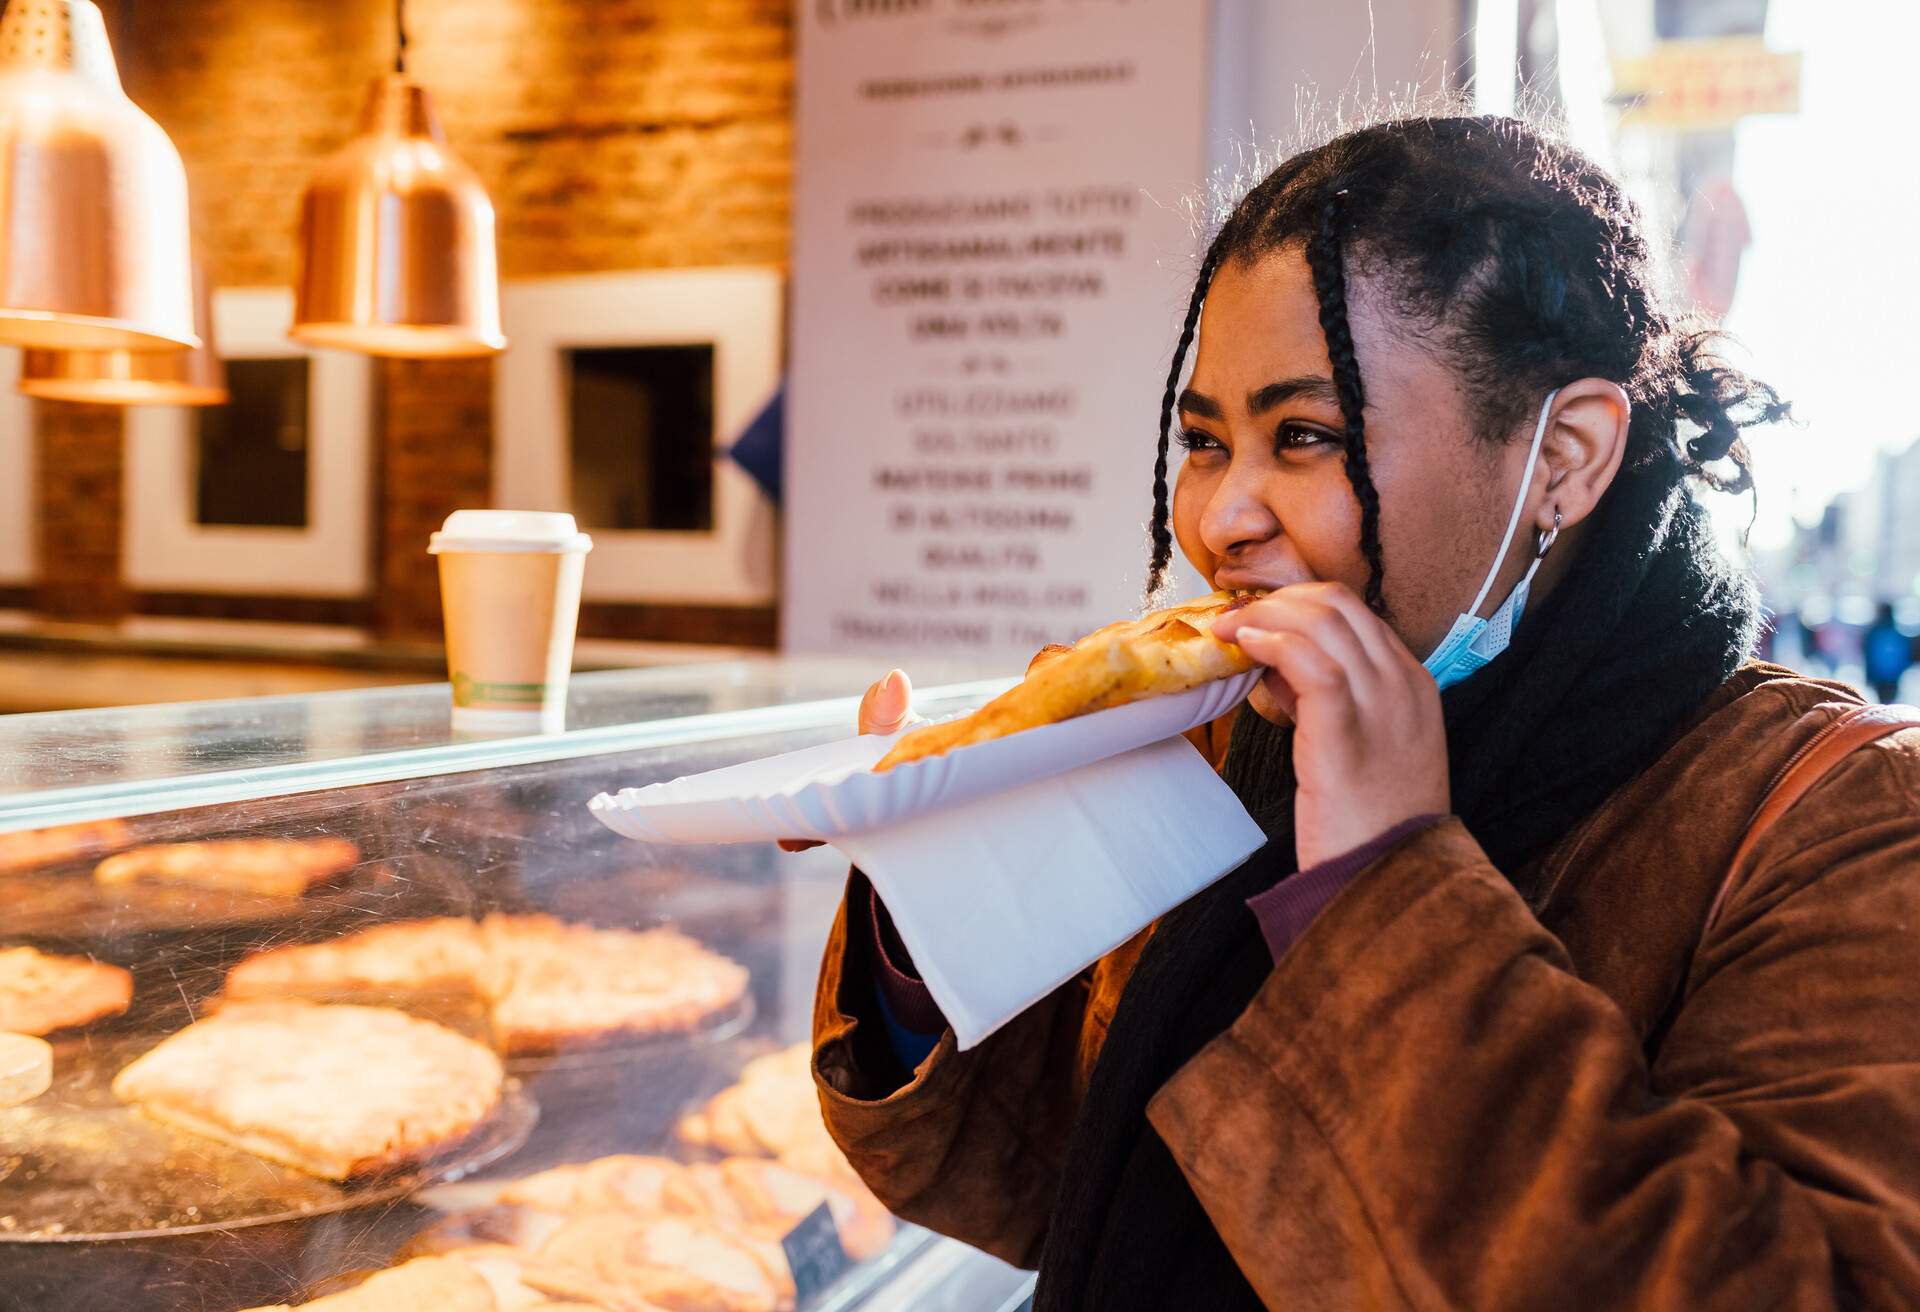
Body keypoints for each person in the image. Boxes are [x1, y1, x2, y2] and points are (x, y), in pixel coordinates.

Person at [799, 115, 1920, 1309]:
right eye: (1204, 440)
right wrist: (938, 903)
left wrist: (1384, 886)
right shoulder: (1233, 743)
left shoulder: (1843, 822)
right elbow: (1037, 1185)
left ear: (1567, 458)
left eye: (1305, 436)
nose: (1222, 518)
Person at [1865, 601, 1915, 704]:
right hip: (1893, 674)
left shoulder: (1874, 632)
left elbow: (1868, 654)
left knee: (1883, 700)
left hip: (1879, 675)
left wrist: (1869, 675)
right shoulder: (1899, 632)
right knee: (1890, 699)